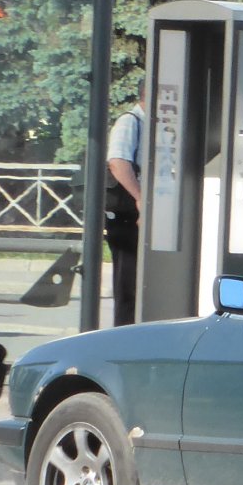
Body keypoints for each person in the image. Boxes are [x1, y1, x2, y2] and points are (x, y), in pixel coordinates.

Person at [105, 77, 145, 326]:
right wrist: (140, 198)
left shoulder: (150, 123)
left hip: (137, 215)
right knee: (128, 285)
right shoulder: (130, 121)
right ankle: (124, 332)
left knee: (139, 284)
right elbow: (118, 162)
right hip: (128, 217)